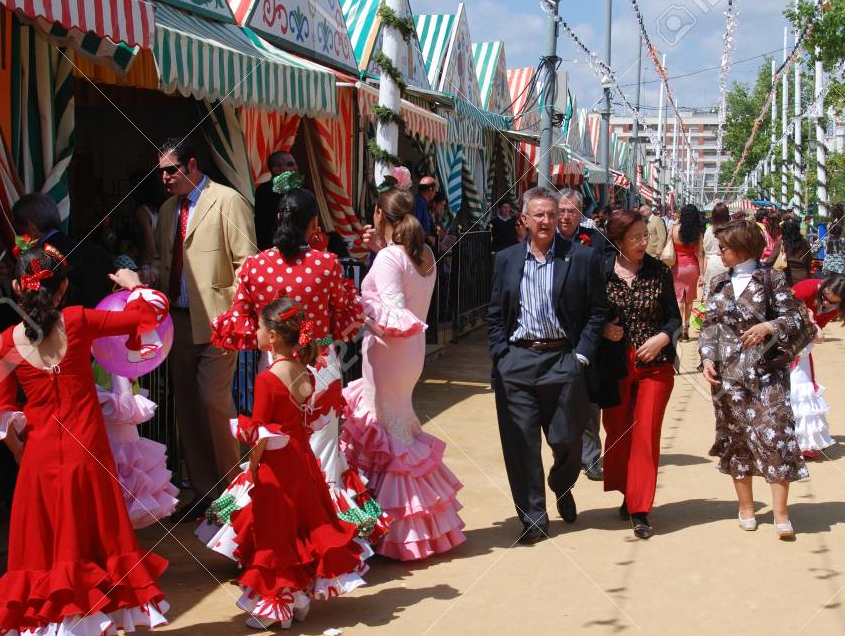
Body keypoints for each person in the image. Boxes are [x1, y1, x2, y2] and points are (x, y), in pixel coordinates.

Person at [0, 248, 170, 636]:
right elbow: (146, 315)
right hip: (88, 455)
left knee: (42, 551)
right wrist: (135, 285)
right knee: (94, 543)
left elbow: (3, 416)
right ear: (63, 288)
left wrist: (22, 454)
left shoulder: (4, 342)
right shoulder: (78, 320)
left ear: (15, 287)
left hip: (39, 461)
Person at [211, 188, 388, 540]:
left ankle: (277, 529)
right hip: (320, 366)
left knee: (274, 447)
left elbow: (240, 319)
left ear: (279, 219)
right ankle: (323, 534)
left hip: (273, 366)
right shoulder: (327, 264)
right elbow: (347, 315)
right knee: (323, 450)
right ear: (314, 224)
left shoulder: (254, 266)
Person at [198, 298, 369, 629]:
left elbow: (261, 433)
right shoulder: (305, 371)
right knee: (299, 528)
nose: (256, 333)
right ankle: (299, 598)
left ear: (273, 336)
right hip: (304, 462)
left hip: (276, 468)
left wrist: (253, 467)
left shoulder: (267, 379)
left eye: (260, 328)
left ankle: (280, 605)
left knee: (274, 534)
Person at [342, 188, 465, 560]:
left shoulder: (390, 257)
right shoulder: (423, 251)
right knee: (396, 429)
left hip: (389, 351)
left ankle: (395, 530)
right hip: (411, 353)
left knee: (386, 432)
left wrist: (355, 308)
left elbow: (391, 311)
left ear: (380, 215)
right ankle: (399, 525)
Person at [487, 186, 607, 544]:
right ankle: (534, 518)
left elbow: (597, 312)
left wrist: (581, 356)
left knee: (567, 439)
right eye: (538, 214)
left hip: (563, 360)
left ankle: (562, 484)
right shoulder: (506, 259)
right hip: (517, 361)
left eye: (552, 215)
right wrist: (501, 355)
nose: (546, 221)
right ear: (524, 219)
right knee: (521, 445)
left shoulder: (581, 258)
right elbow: (494, 313)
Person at [154, 139, 256, 511]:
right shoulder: (167, 210)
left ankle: (234, 489)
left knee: (214, 402)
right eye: (161, 172)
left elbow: (248, 263)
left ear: (192, 165)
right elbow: (161, 259)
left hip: (219, 323)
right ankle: (205, 492)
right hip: (177, 322)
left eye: (171, 169)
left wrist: (234, 314)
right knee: (187, 408)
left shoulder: (228, 201)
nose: (165, 177)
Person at [699, 221, 815, 539]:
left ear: (741, 247)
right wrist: (707, 358)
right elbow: (709, 325)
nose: (719, 253)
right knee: (736, 439)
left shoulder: (771, 279)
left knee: (776, 435)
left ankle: (781, 513)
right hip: (729, 375)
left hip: (767, 372)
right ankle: (746, 507)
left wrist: (769, 327)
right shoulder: (719, 282)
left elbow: (795, 317)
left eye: (724, 247)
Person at [595, 209, 681, 539]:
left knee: (646, 433)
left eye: (645, 235)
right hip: (614, 364)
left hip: (655, 365)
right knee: (618, 431)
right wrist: (603, 329)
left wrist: (663, 337)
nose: (644, 242)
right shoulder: (601, 271)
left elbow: (674, 319)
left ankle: (640, 508)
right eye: (635, 238)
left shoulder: (659, 271)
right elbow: (588, 313)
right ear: (618, 241)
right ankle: (627, 491)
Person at [557, 189, 610, 481]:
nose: (566, 216)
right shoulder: (544, 240)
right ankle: (566, 455)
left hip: (586, 329)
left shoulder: (595, 241)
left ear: (581, 215)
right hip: (553, 330)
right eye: (562, 211)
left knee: (588, 398)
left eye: (572, 211)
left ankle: (590, 456)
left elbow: (606, 277)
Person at [98, 373, 178, 529]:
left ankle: (118, 523)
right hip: (109, 386)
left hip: (116, 384)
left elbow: (123, 408)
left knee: (122, 455)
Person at [789, 273, 845, 459]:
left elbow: (818, 333)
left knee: (802, 391)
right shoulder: (806, 289)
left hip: (803, 347)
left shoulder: (836, 308)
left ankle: (804, 442)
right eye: (824, 297)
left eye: (833, 301)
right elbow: (781, 311)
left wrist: (810, 327)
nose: (826, 302)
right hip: (781, 340)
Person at [11, 192, 113, 309]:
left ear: (31, 227)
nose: (17, 236)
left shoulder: (34, 263)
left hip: (56, 320)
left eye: (17, 229)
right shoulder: (97, 252)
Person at [253, 149, 302, 251]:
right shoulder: (264, 191)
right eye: (290, 164)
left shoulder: (297, 189)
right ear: (276, 170)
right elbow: (263, 225)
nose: (296, 168)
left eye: (295, 164)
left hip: (298, 246)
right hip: (272, 248)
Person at [670, 204, 705, 340]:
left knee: (678, 299)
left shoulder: (674, 229)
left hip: (677, 267)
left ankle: (679, 327)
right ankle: (686, 327)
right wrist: (702, 274)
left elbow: (668, 246)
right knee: (689, 300)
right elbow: (700, 255)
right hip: (692, 267)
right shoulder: (697, 233)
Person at [703, 202, 732, 298]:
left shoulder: (709, 230)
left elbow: (705, 250)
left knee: (710, 295)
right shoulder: (731, 230)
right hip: (727, 264)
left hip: (711, 265)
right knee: (726, 296)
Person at [779, 218, 814, 285]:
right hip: (803, 278)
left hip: (786, 279)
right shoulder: (805, 243)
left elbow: (770, 260)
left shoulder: (782, 243)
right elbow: (809, 261)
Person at [413, 175, 438, 248]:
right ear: (431, 189)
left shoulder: (422, 202)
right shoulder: (419, 202)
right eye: (435, 191)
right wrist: (428, 237)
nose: (435, 194)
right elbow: (415, 224)